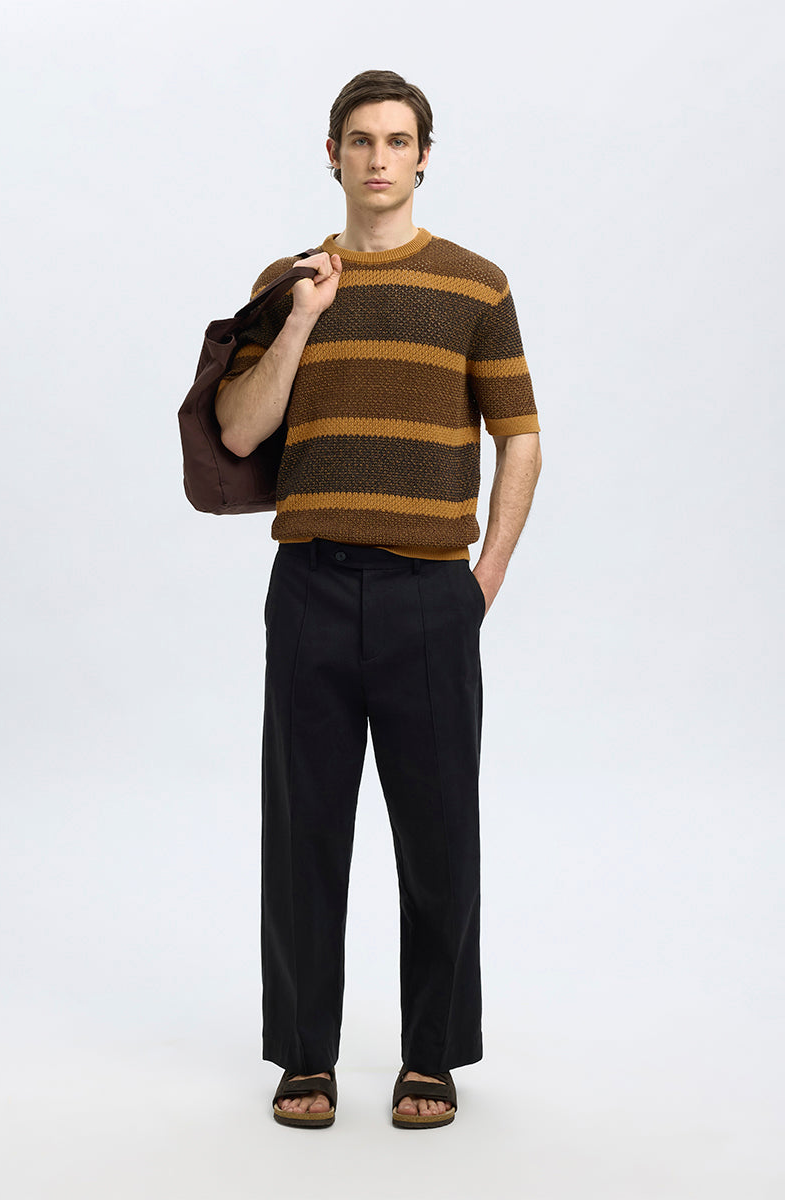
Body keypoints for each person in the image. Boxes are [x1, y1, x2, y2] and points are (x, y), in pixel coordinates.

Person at [215, 69, 541, 1129]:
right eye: (360, 140)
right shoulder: (289, 282)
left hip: (429, 595)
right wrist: (302, 319)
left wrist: (483, 580)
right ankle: (304, 1057)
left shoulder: (476, 286)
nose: (378, 159)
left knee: (439, 837)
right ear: (333, 154)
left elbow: (520, 437)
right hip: (310, 586)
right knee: (302, 832)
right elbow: (238, 429)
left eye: (398, 141)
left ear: (423, 158)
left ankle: (430, 1058)